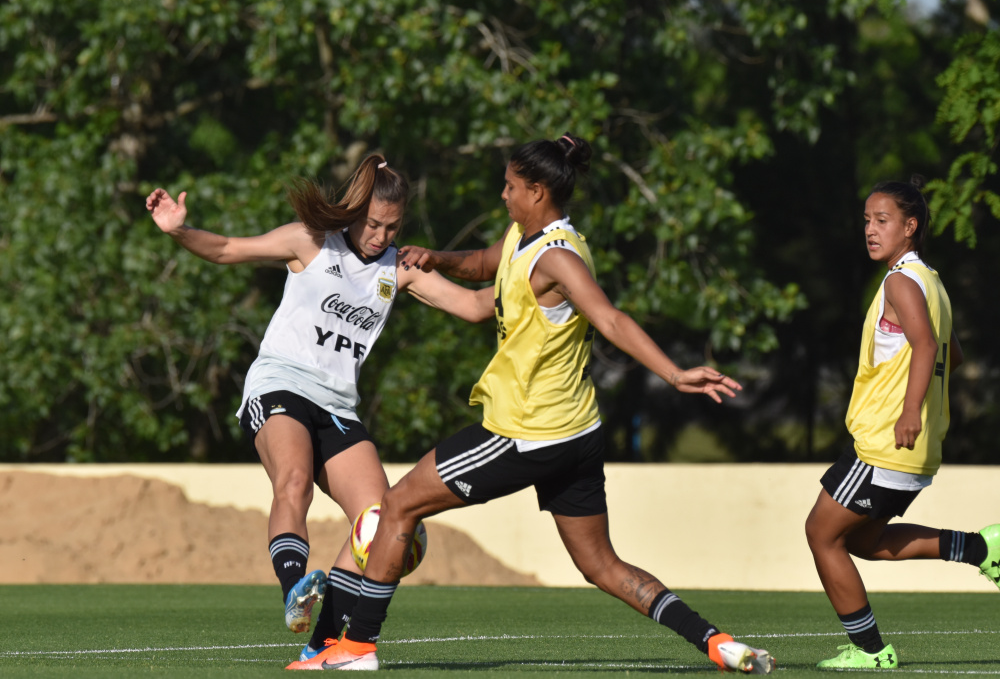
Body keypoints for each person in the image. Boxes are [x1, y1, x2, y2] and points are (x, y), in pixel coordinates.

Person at [287, 133, 776, 673]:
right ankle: (717, 642)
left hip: (526, 430)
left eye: (511, 186)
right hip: (576, 432)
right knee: (601, 564)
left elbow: (610, 318)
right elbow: (483, 264)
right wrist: (436, 257)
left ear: (538, 191)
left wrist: (675, 373)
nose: (503, 194)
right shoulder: (526, 234)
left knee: (400, 504)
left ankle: (357, 649)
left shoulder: (558, 257)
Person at [146, 155, 489, 650]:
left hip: (338, 407)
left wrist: (537, 281)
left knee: (382, 520)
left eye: (393, 227)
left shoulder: (399, 268)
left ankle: (322, 645)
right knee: (294, 481)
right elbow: (225, 249)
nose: (381, 236)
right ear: (355, 211)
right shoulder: (311, 240)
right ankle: (295, 591)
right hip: (281, 383)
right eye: (373, 223)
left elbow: (475, 306)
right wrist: (179, 231)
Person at [804, 176, 999, 670]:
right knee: (864, 543)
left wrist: (910, 409)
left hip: (884, 441)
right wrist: (921, 406)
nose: (870, 229)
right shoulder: (932, 282)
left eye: (882, 220)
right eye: (867, 221)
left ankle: (871, 651)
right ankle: (982, 548)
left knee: (821, 535)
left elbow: (928, 346)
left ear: (910, 227)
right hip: (914, 447)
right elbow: (953, 354)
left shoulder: (899, 281)